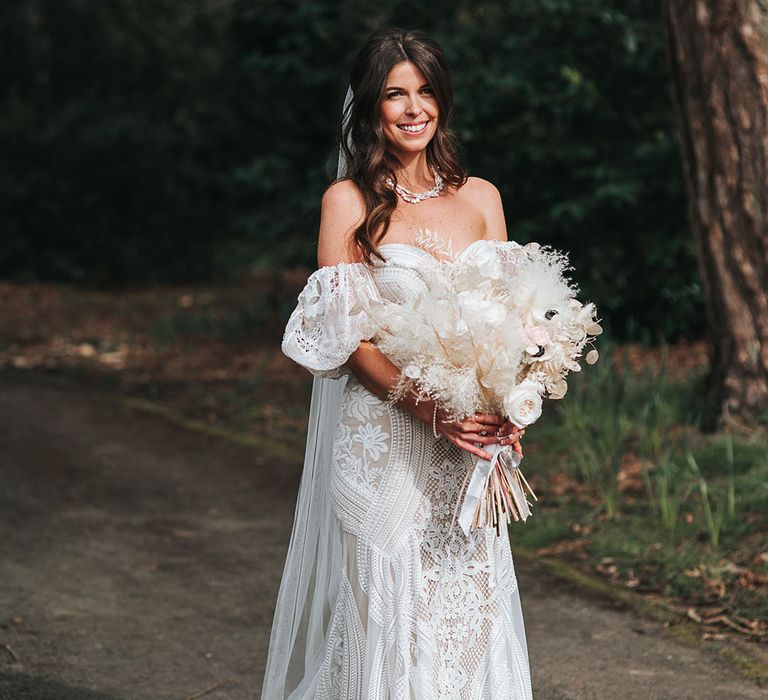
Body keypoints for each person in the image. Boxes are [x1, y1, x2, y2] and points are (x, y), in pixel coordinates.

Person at [262, 26, 533, 700]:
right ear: (371, 107)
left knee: (468, 614)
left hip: (465, 443)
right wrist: (428, 408)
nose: (413, 108)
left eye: (424, 92)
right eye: (394, 94)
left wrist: (507, 406)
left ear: (442, 101)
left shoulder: (483, 199)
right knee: (388, 614)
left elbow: (504, 319)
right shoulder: (347, 203)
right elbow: (347, 339)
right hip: (384, 437)